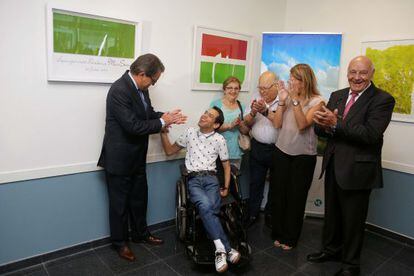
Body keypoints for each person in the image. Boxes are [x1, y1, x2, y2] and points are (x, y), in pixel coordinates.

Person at [307, 56, 395, 276]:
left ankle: (350, 265)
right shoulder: (337, 95)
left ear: (372, 74)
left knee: (353, 221)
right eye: (353, 72)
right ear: (347, 72)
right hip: (334, 165)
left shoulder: (382, 99)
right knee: (333, 215)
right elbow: (321, 130)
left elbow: (371, 135)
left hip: (358, 171)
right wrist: (323, 124)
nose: (357, 77)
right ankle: (331, 250)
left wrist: (336, 124)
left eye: (363, 73)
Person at [98, 53, 186, 261]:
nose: (153, 85)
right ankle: (120, 243)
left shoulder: (141, 89)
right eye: (153, 80)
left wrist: (166, 117)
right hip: (119, 159)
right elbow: (133, 126)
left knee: (139, 199)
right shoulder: (119, 90)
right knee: (119, 205)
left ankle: (140, 234)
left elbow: (147, 114)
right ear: (141, 74)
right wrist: (162, 123)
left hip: (137, 157)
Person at [160, 107, 241, 273]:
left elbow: (226, 166)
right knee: (205, 206)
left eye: (210, 115)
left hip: (212, 179)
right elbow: (169, 151)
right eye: (205, 112)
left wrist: (225, 187)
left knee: (211, 207)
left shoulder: (219, 140)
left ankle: (221, 249)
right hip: (194, 179)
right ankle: (223, 248)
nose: (204, 115)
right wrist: (163, 132)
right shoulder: (190, 132)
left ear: (216, 124)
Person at [270, 64, 325, 250]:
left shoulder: (317, 101)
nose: (290, 81)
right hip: (281, 152)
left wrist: (294, 101)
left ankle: (290, 238)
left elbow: (302, 125)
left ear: (305, 80)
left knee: (296, 198)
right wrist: (283, 101)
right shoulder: (286, 97)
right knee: (279, 195)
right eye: (290, 77)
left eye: (295, 78)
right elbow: (277, 124)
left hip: (303, 157)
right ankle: (277, 233)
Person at [242, 71, 279, 227]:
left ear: (276, 85)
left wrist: (265, 111)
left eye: (266, 88)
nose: (262, 91)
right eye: (260, 87)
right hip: (257, 147)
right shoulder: (256, 99)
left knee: (276, 185)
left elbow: (280, 123)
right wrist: (253, 112)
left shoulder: (284, 101)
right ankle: (252, 214)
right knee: (255, 182)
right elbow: (246, 123)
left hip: (278, 149)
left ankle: (271, 216)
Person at [209, 76, 250, 168]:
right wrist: (229, 125)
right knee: (217, 180)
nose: (233, 91)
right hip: (217, 150)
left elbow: (246, 131)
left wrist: (240, 125)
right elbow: (209, 127)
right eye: (229, 88)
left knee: (233, 180)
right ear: (224, 90)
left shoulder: (242, 107)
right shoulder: (216, 105)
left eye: (236, 88)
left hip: (235, 151)